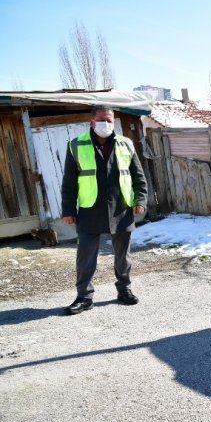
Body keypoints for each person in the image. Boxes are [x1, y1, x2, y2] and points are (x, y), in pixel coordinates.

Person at [60, 105, 148, 315]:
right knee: (85, 255)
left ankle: (124, 290)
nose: (106, 124)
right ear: (91, 122)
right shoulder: (76, 145)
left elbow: (138, 177)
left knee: (122, 255)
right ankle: (84, 297)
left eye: (110, 120)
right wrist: (68, 210)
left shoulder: (125, 144)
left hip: (121, 207)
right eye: (102, 120)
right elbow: (69, 182)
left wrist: (140, 199)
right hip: (90, 209)